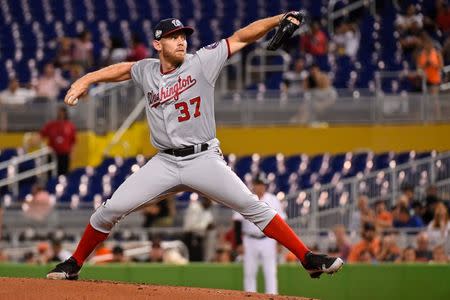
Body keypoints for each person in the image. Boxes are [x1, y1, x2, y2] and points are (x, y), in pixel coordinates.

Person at [47, 15, 343, 280]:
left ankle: (307, 258)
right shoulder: (147, 70)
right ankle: (74, 262)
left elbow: (241, 36)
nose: (181, 41)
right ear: (157, 44)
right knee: (109, 210)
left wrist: (279, 18)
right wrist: (87, 78)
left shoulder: (202, 61)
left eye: (183, 36)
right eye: (173, 37)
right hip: (164, 162)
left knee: (253, 206)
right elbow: (124, 69)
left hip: (202, 158)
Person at [233, 173, 286, 295]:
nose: (260, 187)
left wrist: (280, 242)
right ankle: (250, 296)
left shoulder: (273, 200)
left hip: (268, 240)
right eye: (258, 184)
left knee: (270, 272)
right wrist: (239, 243)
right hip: (249, 240)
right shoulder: (245, 198)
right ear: (253, 185)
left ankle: (272, 296)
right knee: (250, 272)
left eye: (262, 184)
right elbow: (237, 222)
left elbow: (281, 222)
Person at [40, 106, 77, 175]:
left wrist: (72, 153)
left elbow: (73, 141)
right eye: (59, 112)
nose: (61, 114)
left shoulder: (70, 126)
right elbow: (41, 135)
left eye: (62, 112)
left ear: (66, 114)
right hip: (53, 154)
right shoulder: (51, 125)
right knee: (51, 173)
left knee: (63, 173)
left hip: (64, 154)